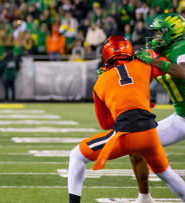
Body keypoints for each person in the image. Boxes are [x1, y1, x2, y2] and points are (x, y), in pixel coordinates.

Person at [67, 35, 185, 203]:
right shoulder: (143, 65)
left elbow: (106, 124)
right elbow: (166, 67)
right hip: (150, 133)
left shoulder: (101, 81)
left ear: (106, 56)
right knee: (167, 174)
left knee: (77, 156)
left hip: (126, 135)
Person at [129, 12, 185, 203]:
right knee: (137, 145)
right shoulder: (162, 52)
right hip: (181, 118)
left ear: (172, 32)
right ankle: (144, 197)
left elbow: (183, 72)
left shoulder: (181, 46)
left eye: (159, 33)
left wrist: (151, 60)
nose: (155, 37)